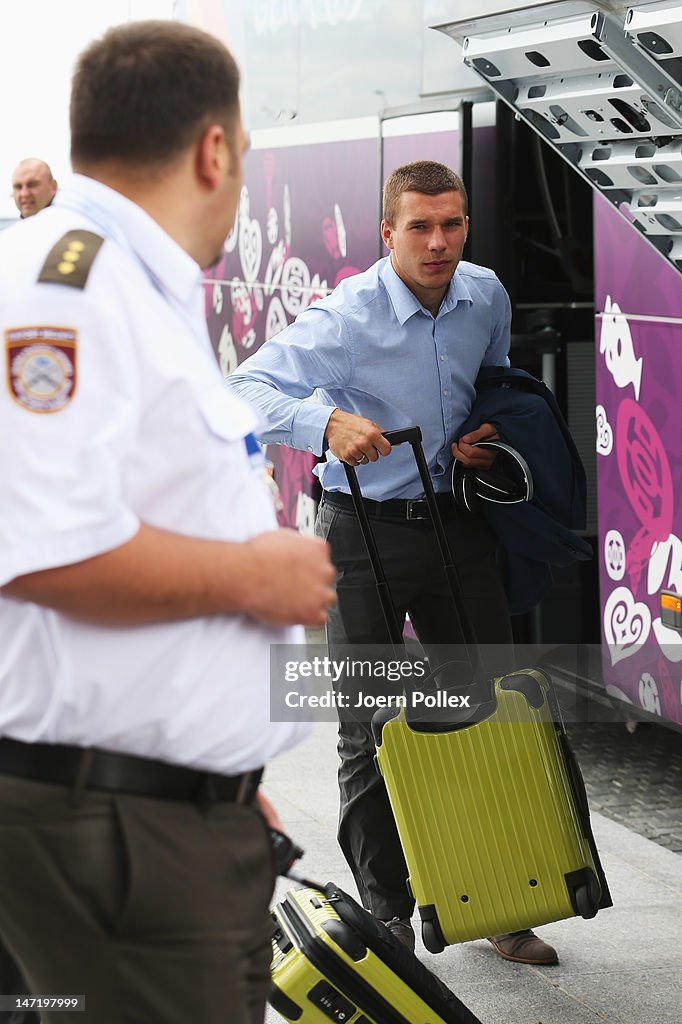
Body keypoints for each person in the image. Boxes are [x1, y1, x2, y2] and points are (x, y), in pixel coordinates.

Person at [0, 20, 336, 1024]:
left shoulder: (124, 282)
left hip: (155, 809)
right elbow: (36, 547)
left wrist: (212, 775)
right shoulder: (71, 286)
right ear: (213, 148)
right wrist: (253, 578)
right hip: (116, 831)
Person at [227, 160, 559, 966]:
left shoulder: (485, 296)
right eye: (420, 226)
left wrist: (484, 439)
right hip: (360, 533)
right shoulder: (346, 316)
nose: (438, 242)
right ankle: (388, 913)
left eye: (452, 224)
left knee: (487, 708)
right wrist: (326, 419)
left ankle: (499, 900)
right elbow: (243, 389)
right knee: (368, 724)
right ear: (387, 233)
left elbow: (492, 384)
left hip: (455, 525)